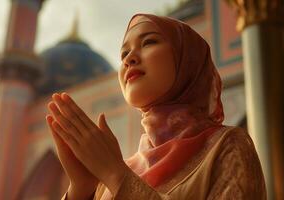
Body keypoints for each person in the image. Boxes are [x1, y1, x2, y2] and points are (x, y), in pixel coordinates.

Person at [46, 13, 266, 200]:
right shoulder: (120, 170)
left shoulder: (225, 146)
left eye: (149, 42)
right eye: (123, 53)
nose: (129, 58)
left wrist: (118, 177)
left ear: (187, 60)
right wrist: (81, 189)